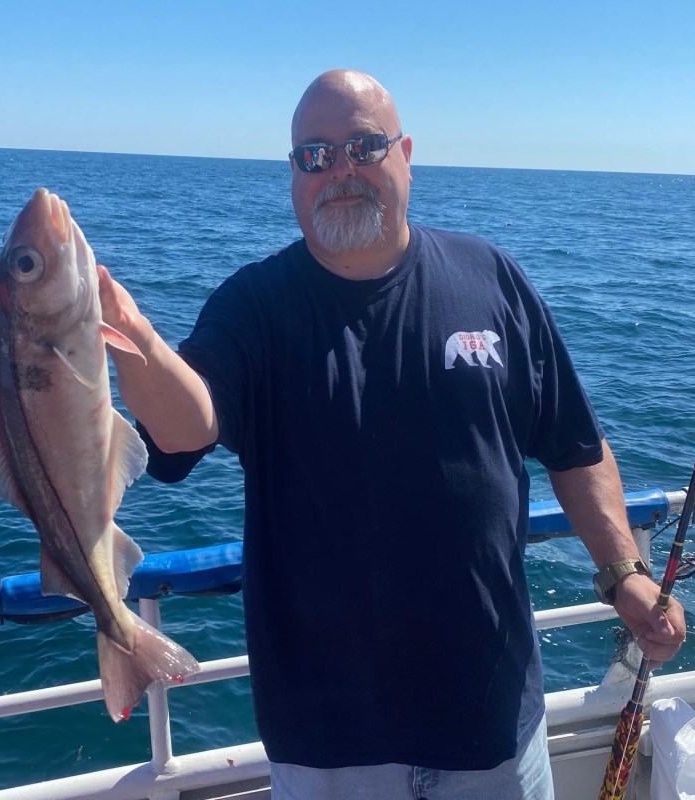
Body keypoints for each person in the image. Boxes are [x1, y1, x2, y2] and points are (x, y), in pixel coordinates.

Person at [98, 70, 686, 799]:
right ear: (293, 175)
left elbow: (575, 446)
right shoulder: (253, 305)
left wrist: (623, 573)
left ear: (405, 153)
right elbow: (185, 432)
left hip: (494, 726)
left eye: (362, 146)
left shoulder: (492, 277)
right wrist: (137, 343)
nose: (339, 169)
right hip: (326, 747)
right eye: (315, 155)